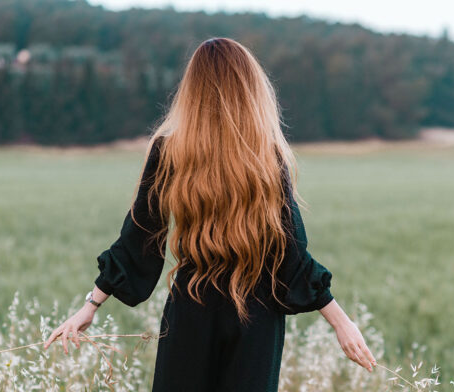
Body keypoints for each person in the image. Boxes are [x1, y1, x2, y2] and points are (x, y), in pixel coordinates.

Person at [44, 37, 376, 391]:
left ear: (193, 90)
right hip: (258, 315)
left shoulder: (169, 151)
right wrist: (341, 322)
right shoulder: (266, 157)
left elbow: (138, 240)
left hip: (191, 308)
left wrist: (91, 305)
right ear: (250, 89)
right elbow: (291, 254)